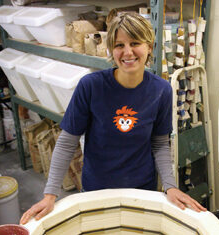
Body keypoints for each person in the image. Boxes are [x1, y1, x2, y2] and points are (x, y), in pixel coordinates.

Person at [20, 12, 206, 225]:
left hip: (142, 190)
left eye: (135, 43)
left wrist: (170, 185)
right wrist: (50, 194)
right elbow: (66, 142)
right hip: (96, 190)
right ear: (111, 49)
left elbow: (160, 144)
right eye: (119, 45)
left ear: (149, 46)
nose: (127, 52)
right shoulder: (90, 86)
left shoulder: (161, 90)